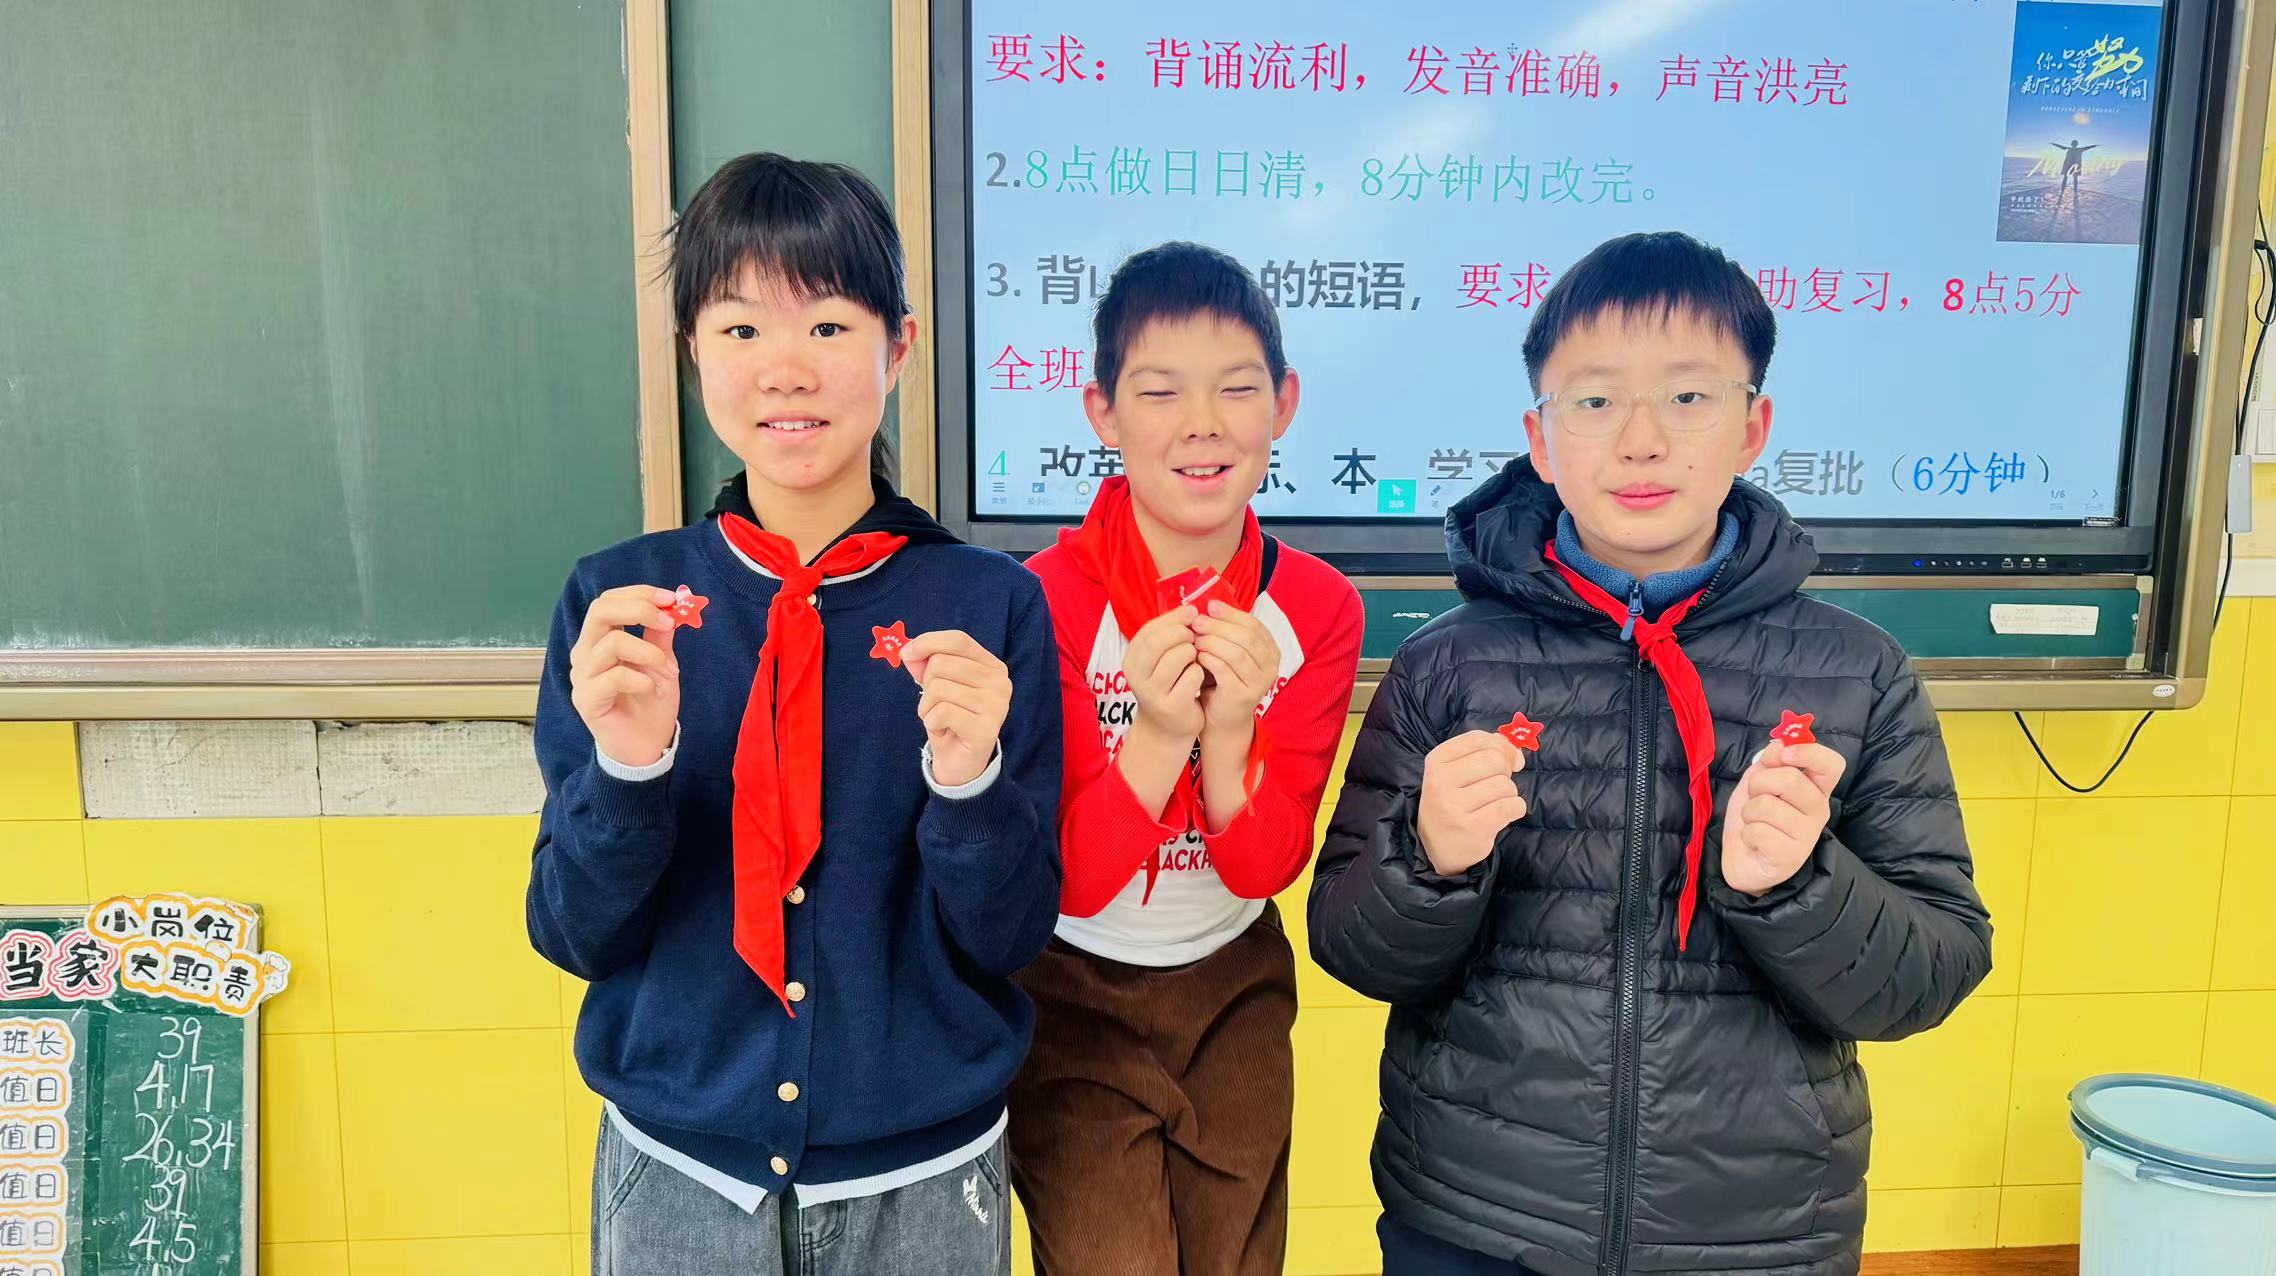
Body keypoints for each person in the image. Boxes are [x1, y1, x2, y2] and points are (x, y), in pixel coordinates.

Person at [1310, 230, 1993, 1275]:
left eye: (1686, 397)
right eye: (1593, 400)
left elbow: (1928, 974)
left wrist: (1798, 885)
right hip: (1474, 1217)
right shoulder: (1447, 666)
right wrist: (1428, 858)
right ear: (1540, 440)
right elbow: (1352, 949)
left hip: (1757, 1234)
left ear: (1751, 427)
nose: (1640, 441)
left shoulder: (1857, 674)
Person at [527, 152, 1062, 1276]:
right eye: (739, 328)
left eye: (826, 325)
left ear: (897, 347)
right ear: (693, 352)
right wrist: (628, 774)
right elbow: (574, 935)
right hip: (678, 1173)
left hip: (925, 1180)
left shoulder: (991, 608)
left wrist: (969, 785)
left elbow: (1010, 939)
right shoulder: (621, 609)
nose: (784, 369)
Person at [1009, 242, 1364, 1275]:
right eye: (1160, 391)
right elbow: (1070, 880)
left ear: (1283, 405)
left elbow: (1264, 870)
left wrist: (1229, 736)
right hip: (1070, 990)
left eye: (1237, 389)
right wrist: (1160, 737)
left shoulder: (1317, 608)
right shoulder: (1041, 600)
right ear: (1103, 413)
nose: (1202, 423)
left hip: (1233, 984)